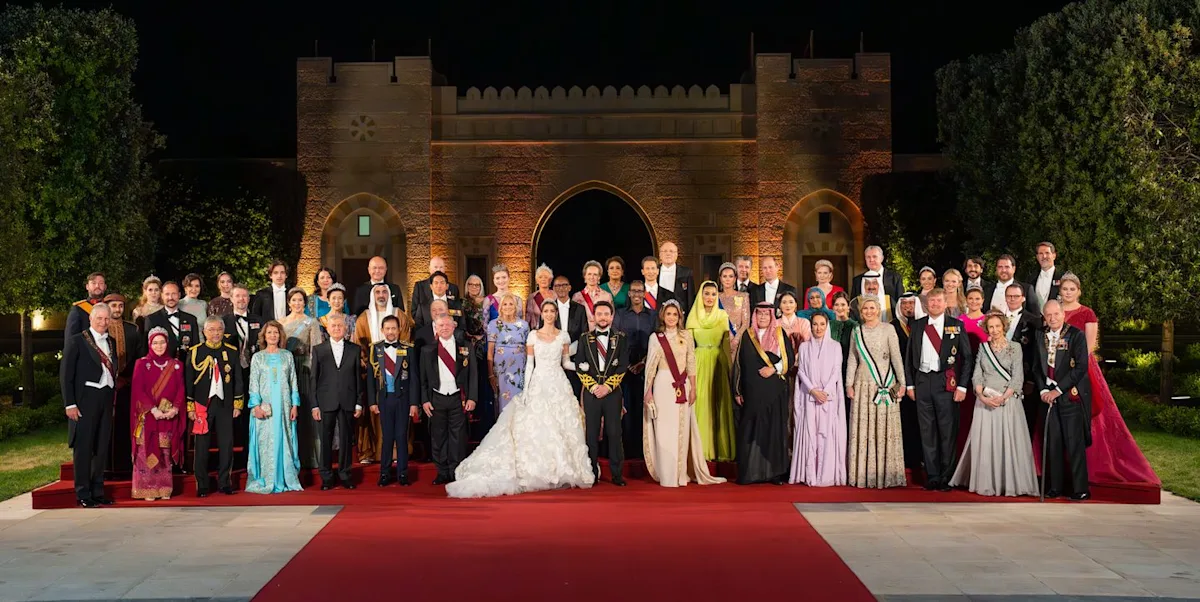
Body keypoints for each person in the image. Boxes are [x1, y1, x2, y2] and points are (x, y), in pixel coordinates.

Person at [447, 301, 593, 498]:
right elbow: (530, 364)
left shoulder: (563, 336)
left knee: (562, 425)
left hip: (558, 382)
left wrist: (581, 367)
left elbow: (566, 363)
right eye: (546, 311)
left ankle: (562, 468)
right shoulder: (533, 335)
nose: (549, 314)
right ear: (542, 314)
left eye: (552, 311)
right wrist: (526, 389)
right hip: (538, 383)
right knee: (539, 425)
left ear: (556, 314)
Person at [1058, 273, 1158, 487]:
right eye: (1065, 289)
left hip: (1081, 368)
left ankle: (1091, 466)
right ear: (1060, 291)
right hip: (1056, 368)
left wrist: (1073, 367)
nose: (1068, 292)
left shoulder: (1087, 313)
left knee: (1089, 412)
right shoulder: (1054, 311)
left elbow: (1089, 345)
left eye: (1072, 289)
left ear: (1079, 291)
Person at [949, 312, 1038, 496]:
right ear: (986, 329)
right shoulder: (983, 348)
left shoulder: (1015, 347)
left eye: (998, 326)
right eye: (991, 327)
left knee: (1008, 443)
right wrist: (982, 397)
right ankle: (987, 482)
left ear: (1004, 327)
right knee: (987, 444)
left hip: (1008, 401)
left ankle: (1009, 483)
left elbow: (1017, 377)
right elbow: (977, 375)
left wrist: (1003, 398)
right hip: (985, 402)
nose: (995, 330)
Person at [643, 300, 726, 487]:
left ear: (680, 317)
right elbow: (650, 367)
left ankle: (680, 475)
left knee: (681, 428)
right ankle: (667, 475)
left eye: (675, 314)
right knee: (664, 430)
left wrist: (694, 387)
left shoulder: (687, 336)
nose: (671, 318)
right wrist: (648, 392)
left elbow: (691, 362)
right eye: (668, 314)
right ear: (663, 316)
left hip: (683, 385)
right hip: (663, 384)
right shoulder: (655, 338)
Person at [905, 289, 974, 491]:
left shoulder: (956, 325)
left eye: (938, 301)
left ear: (945, 304)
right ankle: (932, 476)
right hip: (922, 382)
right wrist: (910, 384)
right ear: (926, 304)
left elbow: (967, 358)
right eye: (931, 301)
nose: (934, 304)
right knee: (927, 431)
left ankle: (946, 477)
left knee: (947, 431)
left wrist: (962, 386)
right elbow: (909, 357)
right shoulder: (917, 325)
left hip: (946, 382)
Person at [61, 302, 119, 507]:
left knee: (101, 448)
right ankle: (83, 493)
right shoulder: (77, 341)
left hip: (105, 398)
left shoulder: (111, 341)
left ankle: (98, 491)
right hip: (85, 399)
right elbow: (66, 375)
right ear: (91, 319)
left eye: (107, 318)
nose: (103, 322)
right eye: (99, 318)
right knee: (84, 448)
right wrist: (70, 404)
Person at [845, 297, 907, 488]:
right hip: (863, 386)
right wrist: (849, 384)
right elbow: (852, 359)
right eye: (865, 308)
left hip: (885, 385)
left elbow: (896, 356)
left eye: (872, 308)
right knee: (864, 429)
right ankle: (864, 475)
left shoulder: (888, 329)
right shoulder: (857, 331)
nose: (869, 311)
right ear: (861, 311)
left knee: (886, 428)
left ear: (879, 309)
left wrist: (902, 382)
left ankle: (888, 474)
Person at [1034, 300, 1091, 500]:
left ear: (1063, 314)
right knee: (1053, 442)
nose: (1052, 318)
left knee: (1074, 443)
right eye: (1048, 315)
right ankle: (1055, 487)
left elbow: (1081, 367)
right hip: (1047, 395)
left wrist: (1058, 390)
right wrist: (1043, 390)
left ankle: (1080, 489)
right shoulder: (1039, 335)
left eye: (1056, 314)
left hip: (1068, 395)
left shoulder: (1076, 335)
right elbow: (1036, 366)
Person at [732, 302, 795, 484]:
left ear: (771, 316)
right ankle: (751, 474)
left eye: (766, 314)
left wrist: (773, 369)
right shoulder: (748, 335)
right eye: (759, 314)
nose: (763, 317)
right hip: (752, 393)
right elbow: (739, 364)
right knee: (750, 431)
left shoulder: (779, 334)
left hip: (774, 392)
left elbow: (789, 359)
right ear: (755, 315)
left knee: (774, 431)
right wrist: (737, 390)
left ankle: (774, 473)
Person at [186, 316, 244, 497]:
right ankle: (202, 485)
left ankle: (224, 482)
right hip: (202, 404)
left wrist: (238, 404)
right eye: (211, 330)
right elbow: (189, 381)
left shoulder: (231, 351)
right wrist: (190, 406)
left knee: (226, 444)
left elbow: (238, 380)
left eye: (219, 329)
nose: (215, 333)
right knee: (202, 446)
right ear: (204, 332)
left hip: (225, 404)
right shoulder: (195, 352)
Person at [245, 320, 303, 494]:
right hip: (265, 407)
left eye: (276, 333)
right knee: (266, 442)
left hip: (284, 406)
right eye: (269, 332)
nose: (272, 335)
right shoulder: (258, 357)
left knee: (285, 439)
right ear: (264, 336)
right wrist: (255, 406)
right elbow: (253, 383)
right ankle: (267, 478)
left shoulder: (287, 355)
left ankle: (285, 478)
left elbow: (293, 381)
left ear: (280, 336)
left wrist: (295, 404)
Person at [575, 300, 630, 485]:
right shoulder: (585, 338)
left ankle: (617, 474)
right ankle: (591, 473)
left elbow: (623, 365)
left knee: (614, 433)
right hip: (591, 393)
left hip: (612, 392)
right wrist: (592, 387)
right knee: (591, 434)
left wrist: (607, 387)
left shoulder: (621, 338)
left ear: (612, 316)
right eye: (599, 314)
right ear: (594, 316)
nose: (603, 317)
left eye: (606, 314)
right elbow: (579, 365)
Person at [421, 315, 478, 485]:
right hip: (436, 399)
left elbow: (473, 374)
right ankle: (442, 472)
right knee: (438, 437)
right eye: (441, 325)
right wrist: (424, 400)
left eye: (447, 324)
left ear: (454, 326)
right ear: (436, 328)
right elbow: (422, 379)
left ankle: (455, 471)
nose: (444, 328)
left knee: (458, 437)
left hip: (458, 398)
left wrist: (472, 397)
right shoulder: (427, 350)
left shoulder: (466, 347)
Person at [129, 327, 186, 500]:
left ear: (167, 343)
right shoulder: (141, 363)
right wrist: (153, 410)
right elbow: (138, 390)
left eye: (162, 342)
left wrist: (175, 409)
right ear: (149, 344)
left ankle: (164, 488)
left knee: (165, 453)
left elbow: (181, 389)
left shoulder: (176, 365)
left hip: (168, 416)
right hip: (148, 416)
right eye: (155, 343)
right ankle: (146, 489)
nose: (159, 346)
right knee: (145, 452)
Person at [791, 313, 847, 486]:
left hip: (828, 398)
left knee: (826, 434)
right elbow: (801, 371)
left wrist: (825, 392)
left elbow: (836, 371)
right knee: (810, 433)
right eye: (815, 324)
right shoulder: (804, 347)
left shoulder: (835, 346)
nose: (818, 328)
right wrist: (813, 390)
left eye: (822, 324)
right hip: (810, 396)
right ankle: (809, 474)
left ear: (827, 325)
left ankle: (826, 474)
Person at [366, 315, 421, 486]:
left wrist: (414, 403)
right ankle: (384, 474)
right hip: (384, 400)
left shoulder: (408, 349)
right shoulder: (375, 349)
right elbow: (370, 380)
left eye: (393, 328)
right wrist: (372, 402)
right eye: (387, 328)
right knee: (387, 437)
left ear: (399, 330)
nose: (390, 332)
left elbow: (414, 378)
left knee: (401, 437)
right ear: (382, 330)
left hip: (403, 399)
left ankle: (403, 474)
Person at [310, 317, 363, 490]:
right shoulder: (319, 350)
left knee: (346, 439)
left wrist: (359, 403)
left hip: (348, 400)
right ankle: (326, 477)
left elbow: (358, 378)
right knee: (325, 440)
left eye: (340, 325)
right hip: (325, 401)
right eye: (333, 325)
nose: (337, 328)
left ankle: (345, 474)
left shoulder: (355, 349)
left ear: (346, 328)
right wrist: (314, 405)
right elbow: (314, 378)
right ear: (328, 329)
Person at [687, 281, 735, 461]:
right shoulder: (693, 316)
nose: (710, 297)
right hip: (698, 362)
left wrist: (730, 370)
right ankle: (700, 450)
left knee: (718, 404)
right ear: (701, 295)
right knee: (700, 402)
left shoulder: (722, 316)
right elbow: (688, 347)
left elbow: (726, 345)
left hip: (717, 363)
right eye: (706, 293)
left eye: (714, 294)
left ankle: (719, 450)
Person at [281, 288, 325, 470]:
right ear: (289, 303)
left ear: (305, 303)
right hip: (285, 369)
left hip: (304, 369)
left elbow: (316, 349)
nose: (297, 303)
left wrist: (316, 371)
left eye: (300, 300)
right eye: (294, 300)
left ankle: (310, 457)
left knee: (305, 412)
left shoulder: (311, 322)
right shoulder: (280, 323)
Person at [102, 293, 145, 475]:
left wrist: (125, 378)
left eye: (120, 306)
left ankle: (124, 467)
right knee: (105, 426)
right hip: (104, 385)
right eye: (114, 306)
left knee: (125, 425)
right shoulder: (100, 329)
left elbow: (139, 356)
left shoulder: (133, 329)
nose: (117, 309)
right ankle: (104, 468)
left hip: (127, 385)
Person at [614, 280, 656, 460]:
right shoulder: (621, 314)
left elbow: (657, 341)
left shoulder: (653, 315)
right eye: (634, 291)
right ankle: (629, 453)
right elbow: (615, 340)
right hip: (625, 368)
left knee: (645, 409)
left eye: (640, 291)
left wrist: (643, 363)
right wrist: (627, 364)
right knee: (627, 410)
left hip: (648, 366)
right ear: (629, 294)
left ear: (645, 293)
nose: (637, 294)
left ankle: (646, 452)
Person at [487, 293, 530, 416]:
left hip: (520, 369)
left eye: (511, 304)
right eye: (505, 304)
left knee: (519, 399)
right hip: (501, 370)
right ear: (500, 307)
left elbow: (528, 349)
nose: (508, 307)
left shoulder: (524, 325)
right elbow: (490, 352)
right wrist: (490, 374)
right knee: (503, 401)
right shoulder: (494, 324)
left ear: (516, 307)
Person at [145, 282, 199, 360]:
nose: (170, 297)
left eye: (174, 294)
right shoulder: (151, 319)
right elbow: (146, 349)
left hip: (186, 364)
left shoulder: (191, 319)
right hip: (162, 365)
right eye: (167, 294)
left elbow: (196, 347)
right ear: (162, 295)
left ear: (179, 295)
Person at [411, 256, 461, 322]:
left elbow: (458, 311)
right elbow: (414, 312)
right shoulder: (419, 286)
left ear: (445, 269)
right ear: (429, 269)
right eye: (435, 267)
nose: (438, 270)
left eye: (441, 267)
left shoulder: (453, 288)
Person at [573, 260, 615, 332]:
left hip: (602, 332)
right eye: (589, 274)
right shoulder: (577, 297)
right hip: (583, 334)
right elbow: (574, 319)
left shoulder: (607, 296)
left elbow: (611, 317)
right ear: (585, 276)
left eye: (595, 274)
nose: (592, 277)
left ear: (599, 277)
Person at [66, 272, 107, 341]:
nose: (97, 286)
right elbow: (71, 338)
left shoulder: (109, 307)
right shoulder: (78, 309)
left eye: (101, 283)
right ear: (87, 287)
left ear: (105, 287)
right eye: (93, 283)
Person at [658, 241, 696, 312]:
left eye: (671, 251)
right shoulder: (654, 271)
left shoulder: (686, 272)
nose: (668, 254)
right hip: (658, 314)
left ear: (676, 255)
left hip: (680, 314)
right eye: (665, 251)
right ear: (660, 255)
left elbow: (690, 297)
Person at [1031, 242, 1064, 311]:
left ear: (1054, 256)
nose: (1044, 256)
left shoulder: (1064, 278)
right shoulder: (1031, 278)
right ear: (1037, 257)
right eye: (1041, 253)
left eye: (1047, 253)